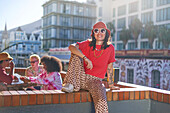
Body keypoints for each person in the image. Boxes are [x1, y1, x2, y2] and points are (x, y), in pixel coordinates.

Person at [62, 21, 119, 113]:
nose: (99, 33)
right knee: (76, 55)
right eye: (96, 31)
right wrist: (85, 58)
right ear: (93, 33)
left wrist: (111, 84)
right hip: (80, 78)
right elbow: (71, 47)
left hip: (95, 81)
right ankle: (70, 84)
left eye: (102, 31)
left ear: (106, 33)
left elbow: (110, 67)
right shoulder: (87, 44)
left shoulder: (110, 48)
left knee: (101, 98)